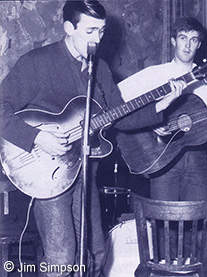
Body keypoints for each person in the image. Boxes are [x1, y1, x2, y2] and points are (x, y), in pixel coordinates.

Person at [0, 1, 184, 276]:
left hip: (86, 175)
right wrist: (37, 137)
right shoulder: (37, 63)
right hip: (48, 174)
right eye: (90, 31)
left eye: (101, 31)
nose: (97, 39)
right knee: (61, 259)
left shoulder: (101, 69)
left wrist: (160, 105)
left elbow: (118, 115)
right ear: (68, 28)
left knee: (96, 254)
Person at [117, 17, 207, 202]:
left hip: (197, 159)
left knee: (198, 218)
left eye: (194, 40)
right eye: (183, 38)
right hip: (161, 156)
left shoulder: (206, 80)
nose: (188, 45)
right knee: (164, 221)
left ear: (199, 45)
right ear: (173, 41)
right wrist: (150, 121)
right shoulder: (154, 74)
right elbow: (117, 97)